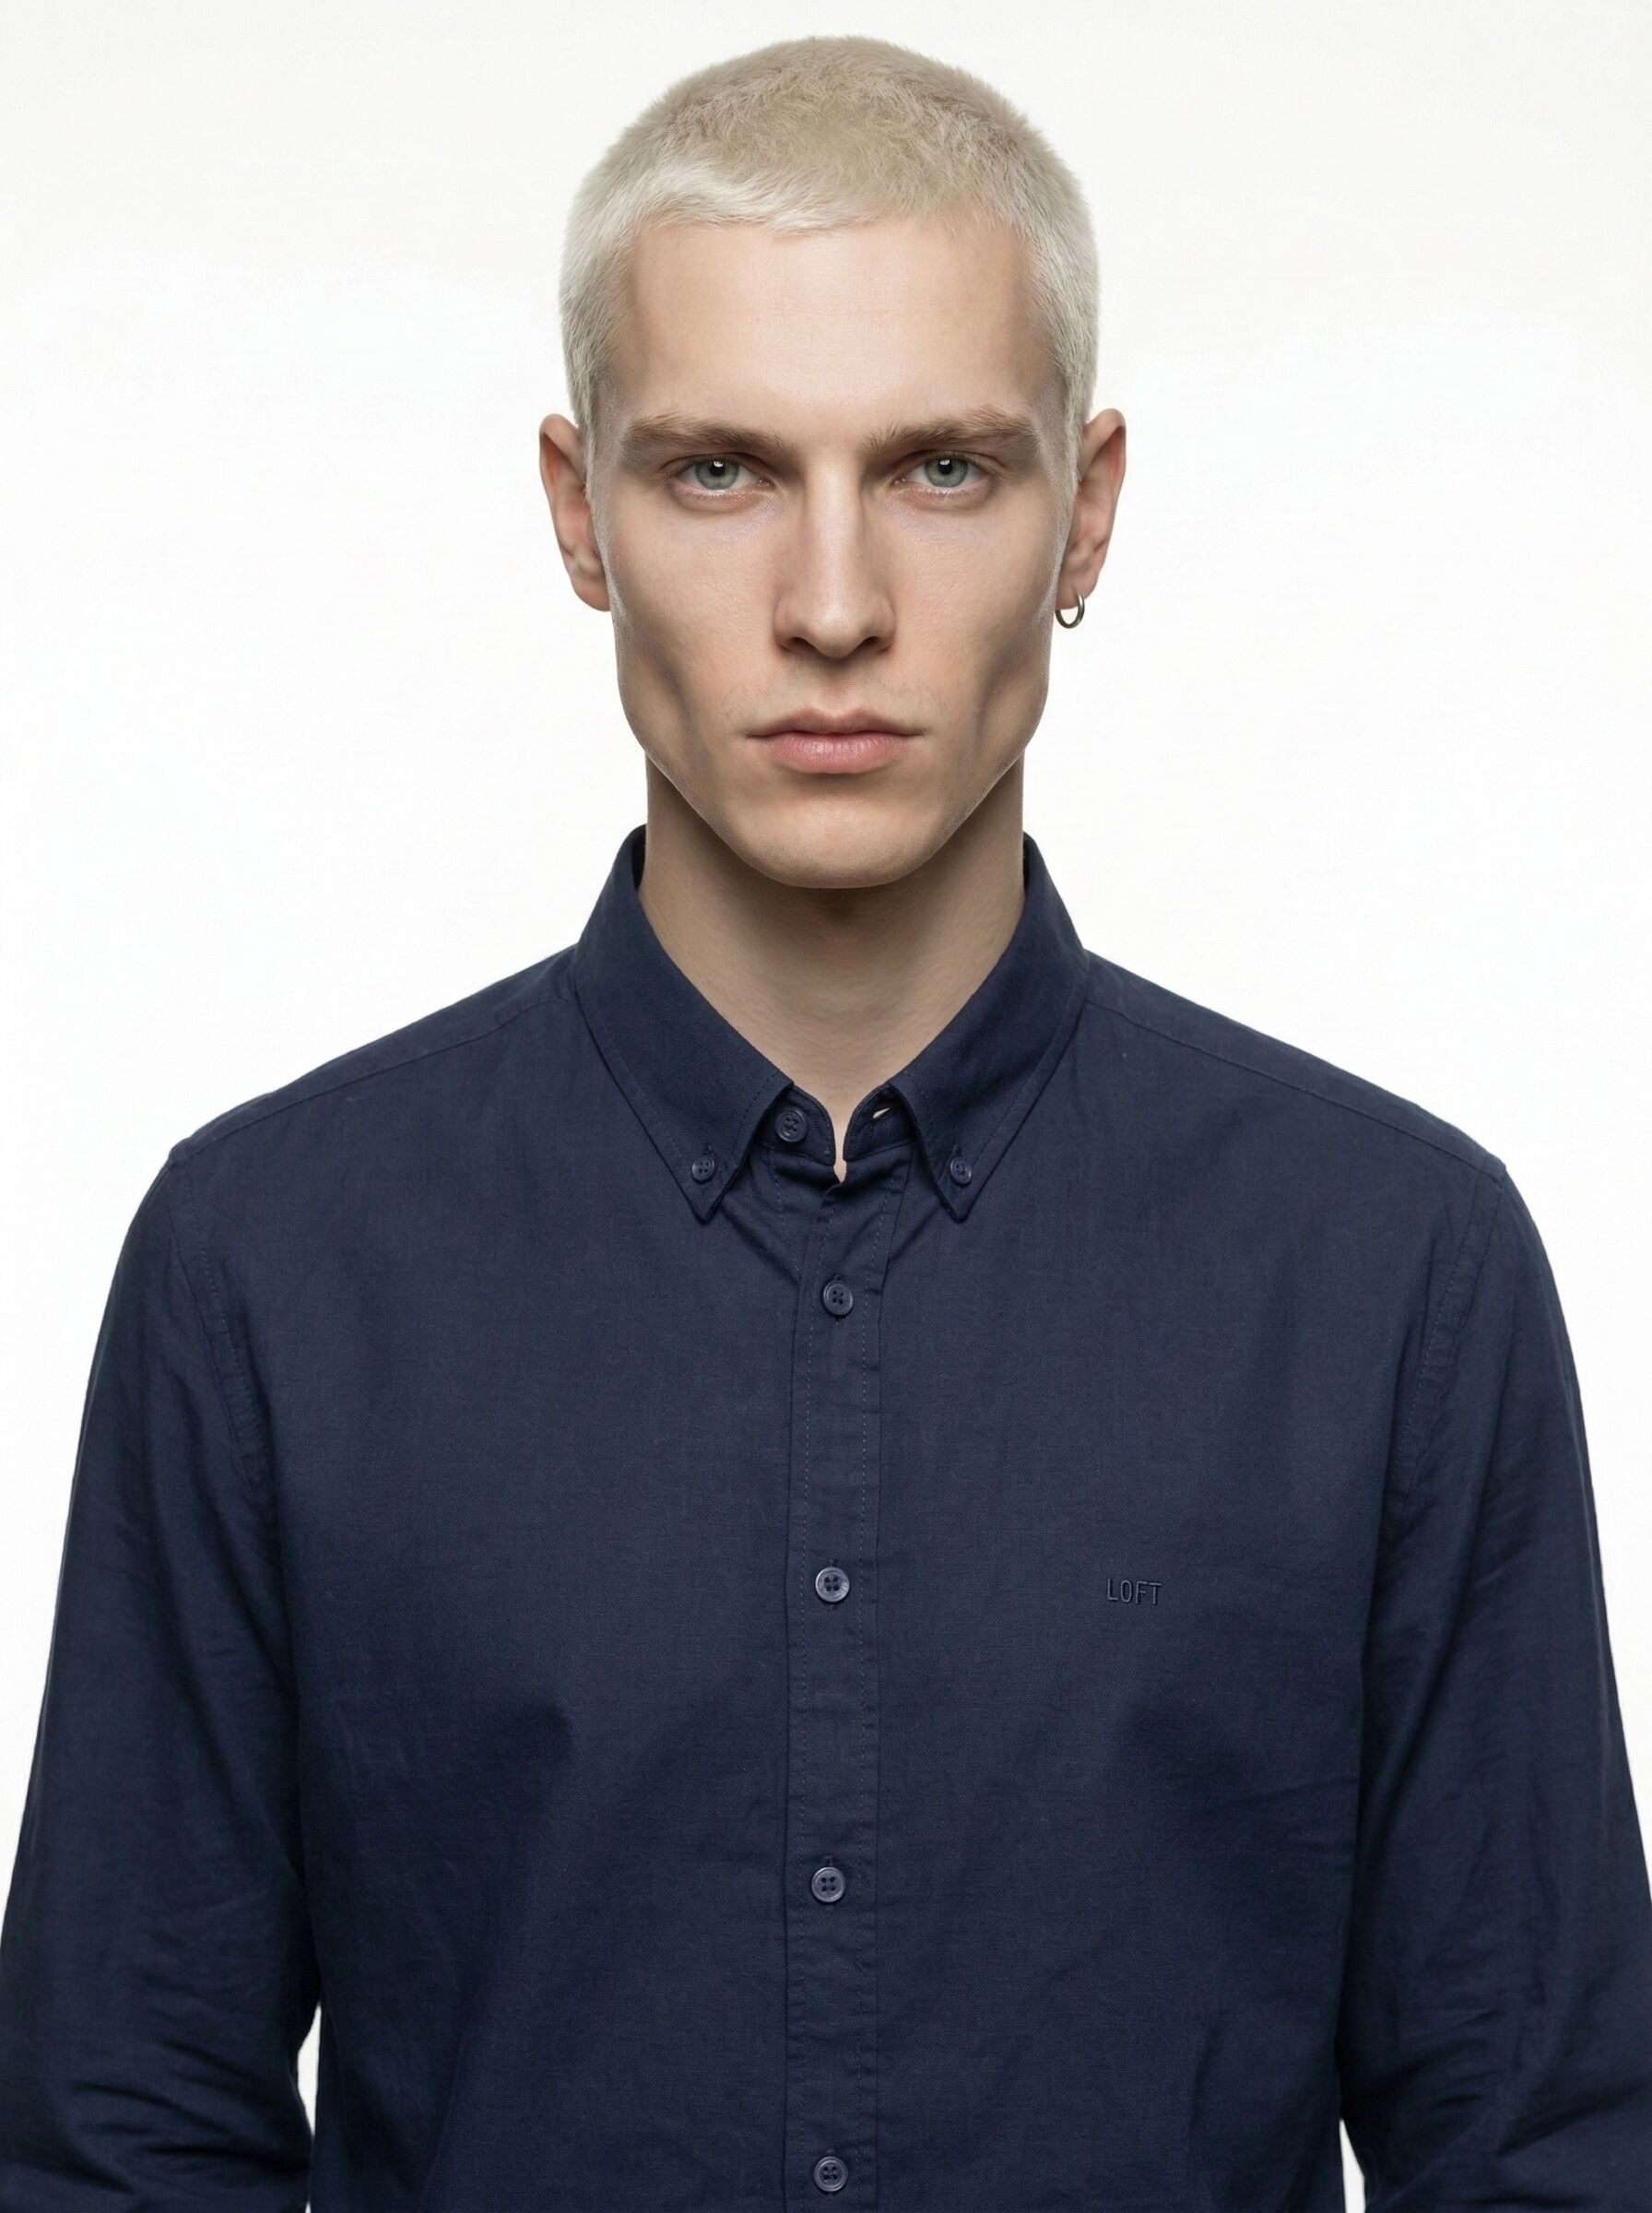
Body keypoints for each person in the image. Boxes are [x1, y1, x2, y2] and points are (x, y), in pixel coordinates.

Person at [3, 30, 1649, 2212]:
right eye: (719, 473)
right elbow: (120, 2143)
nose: (835, 606)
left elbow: (1534, 2152)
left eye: (942, 468)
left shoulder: (1393, 1275)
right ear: (577, 514)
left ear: (1087, 509)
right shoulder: (269, 1268)